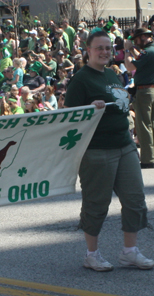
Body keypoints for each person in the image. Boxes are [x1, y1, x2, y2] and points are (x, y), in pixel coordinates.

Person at [64, 30, 154, 272]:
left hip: (124, 145)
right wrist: (88, 108)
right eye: (99, 48)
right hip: (96, 149)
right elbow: (68, 116)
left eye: (108, 48)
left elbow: (122, 104)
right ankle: (91, 255)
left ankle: (129, 252)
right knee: (97, 204)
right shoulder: (81, 79)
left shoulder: (112, 75)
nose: (105, 52)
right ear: (88, 50)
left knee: (135, 200)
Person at [124, 28, 154, 168]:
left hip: (145, 91)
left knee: (144, 125)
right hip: (151, 90)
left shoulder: (148, 52)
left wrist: (127, 50)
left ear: (143, 37)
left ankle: (148, 159)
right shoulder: (150, 51)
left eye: (137, 39)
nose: (136, 42)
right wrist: (133, 50)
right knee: (151, 124)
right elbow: (140, 57)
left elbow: (129, 66)